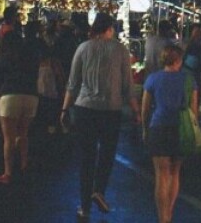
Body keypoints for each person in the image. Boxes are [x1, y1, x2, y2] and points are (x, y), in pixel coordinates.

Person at [60, 13, 141, 221]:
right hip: (111, 110)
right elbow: (128, 86)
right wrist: (136, 110)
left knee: (87, 158)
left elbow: (72, 83)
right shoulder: (121, 50)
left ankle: (84, 208)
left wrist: (64, 109)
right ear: (110, 29)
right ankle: (99, 190)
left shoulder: (83, 48)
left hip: (84, 109)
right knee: (106, 154)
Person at [141, 44, 198, 223]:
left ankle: (162, 217)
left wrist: (144, 129)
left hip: (158, 127)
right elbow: (194, 111)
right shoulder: (189, 80)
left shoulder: (152, 79)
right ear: (179, 60)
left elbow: (145, 110)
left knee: (161, 174)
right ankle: (170, 213)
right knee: (175, 172)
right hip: (180, 129)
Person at [0, 32, 40, 183]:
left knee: (9, 138)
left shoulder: (6, 57)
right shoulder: (31, 57)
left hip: (10, 96)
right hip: (30, 96)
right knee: (23, 134)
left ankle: (8, 173)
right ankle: (24, 164)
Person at [182, 23, 201, 106]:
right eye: (197, 31)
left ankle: (195, 111)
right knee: (188, 92)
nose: (199, 33)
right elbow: (183, 53)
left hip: (199, 72)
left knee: (197, 92)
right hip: (188, 70)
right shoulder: (187, 42)